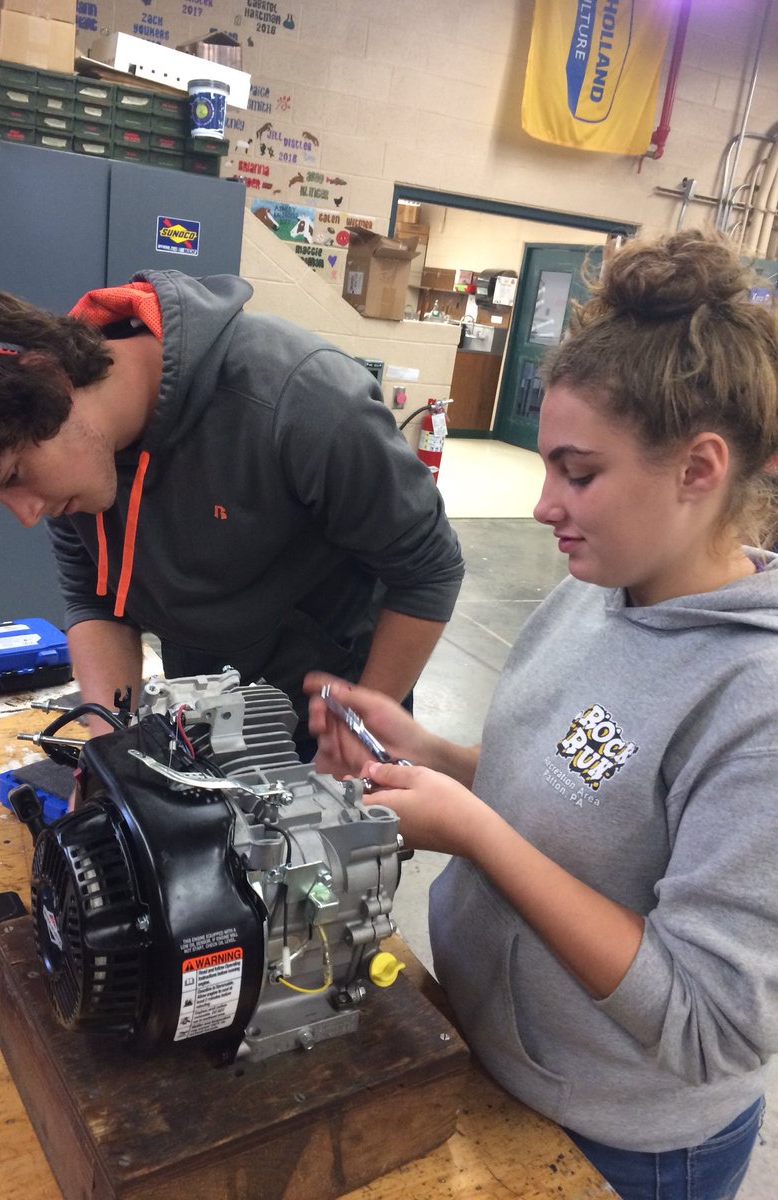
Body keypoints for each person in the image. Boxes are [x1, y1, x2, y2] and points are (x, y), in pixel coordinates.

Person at [304, 229, 778, 1200]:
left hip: (622, 1145)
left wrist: (472, 834)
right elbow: (566, 789)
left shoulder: (754, 703)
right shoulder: (599, 589)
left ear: (699, 469)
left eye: (579, 472)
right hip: (483, 1053)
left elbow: (710, 1021)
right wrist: (429, 752)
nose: (543, 505)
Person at [0, 271, 464, 747]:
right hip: (207, 705)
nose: (28, 513)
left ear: (48, 375)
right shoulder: (78, 465)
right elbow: (96, 599)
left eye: (14, 477)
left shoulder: (299, 399)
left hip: (331, 708)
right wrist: (110, 750)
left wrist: (361, 729)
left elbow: (428, 567)